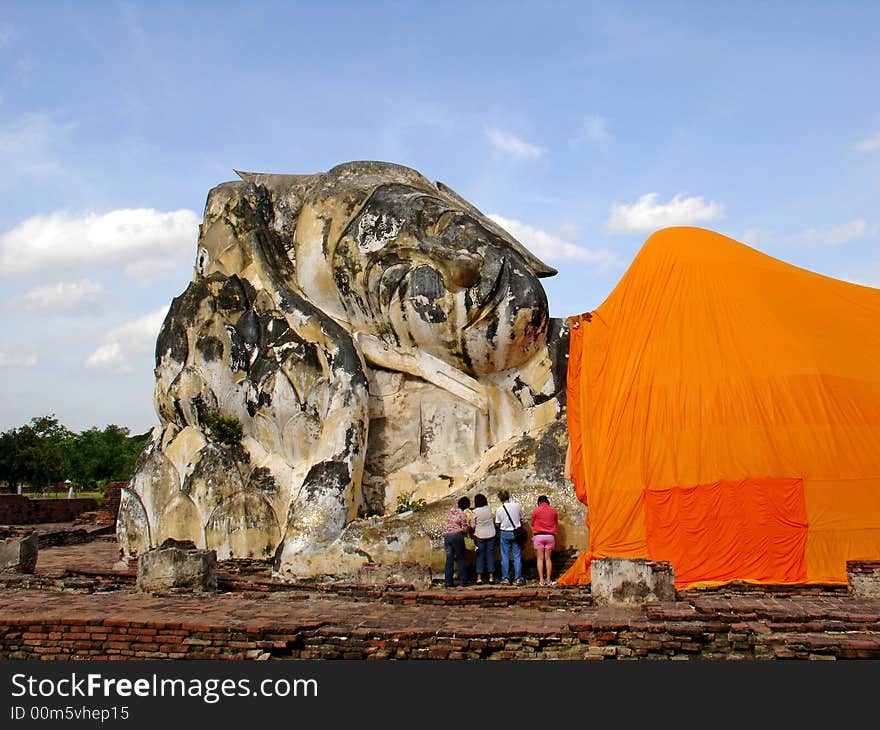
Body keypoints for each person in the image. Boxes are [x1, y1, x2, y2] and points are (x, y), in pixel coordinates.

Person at [494, 489, 525, 585]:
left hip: (505, 533)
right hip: (516, 532)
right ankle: (518, 578)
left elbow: (497, 524)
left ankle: (505, 578)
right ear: (509, 496)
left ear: (500, 499)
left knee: (505, 556)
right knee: (517, 556)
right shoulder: (517, 506)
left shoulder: (499, 509)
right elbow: (522, 519)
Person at [530, 495, 559, 586]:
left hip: (539, 536)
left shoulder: (536, 510)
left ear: (539, 502)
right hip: (550, 536)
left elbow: (532, 523)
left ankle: (542, 580)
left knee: (540, 559)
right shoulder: (553, 510)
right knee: (548, 558)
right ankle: (549, 579)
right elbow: (555, 522)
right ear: (547, 501)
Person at [443, 496, 471, 587]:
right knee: (460, 558)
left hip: (447, 536)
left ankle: (448, 582)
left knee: (449, 559)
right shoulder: (462, 514)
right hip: (456, 536)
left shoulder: (451, 511)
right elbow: (465, 528)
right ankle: (463, 581)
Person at [469, 493, 496, 584]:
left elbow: (472, 526)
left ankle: (479, 578)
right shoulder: (489, 509)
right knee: (490, 555)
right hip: (491, 534)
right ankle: (491, 577)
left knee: (480, 556)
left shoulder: (475, 512)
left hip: (480, 536)